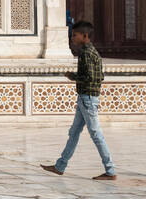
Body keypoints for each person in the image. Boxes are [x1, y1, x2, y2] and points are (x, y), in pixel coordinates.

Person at [42, 20, 117, 180]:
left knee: (96, 134)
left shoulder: (86, 54)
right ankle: (60, 166)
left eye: (75, 35)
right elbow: (100, 76)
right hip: (86, 98)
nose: (72, 38)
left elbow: (90, 77)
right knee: (74, 132)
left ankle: (110, 170)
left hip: (88, 98)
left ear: (85, 36)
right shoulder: (92, 52)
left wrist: (73, 76)